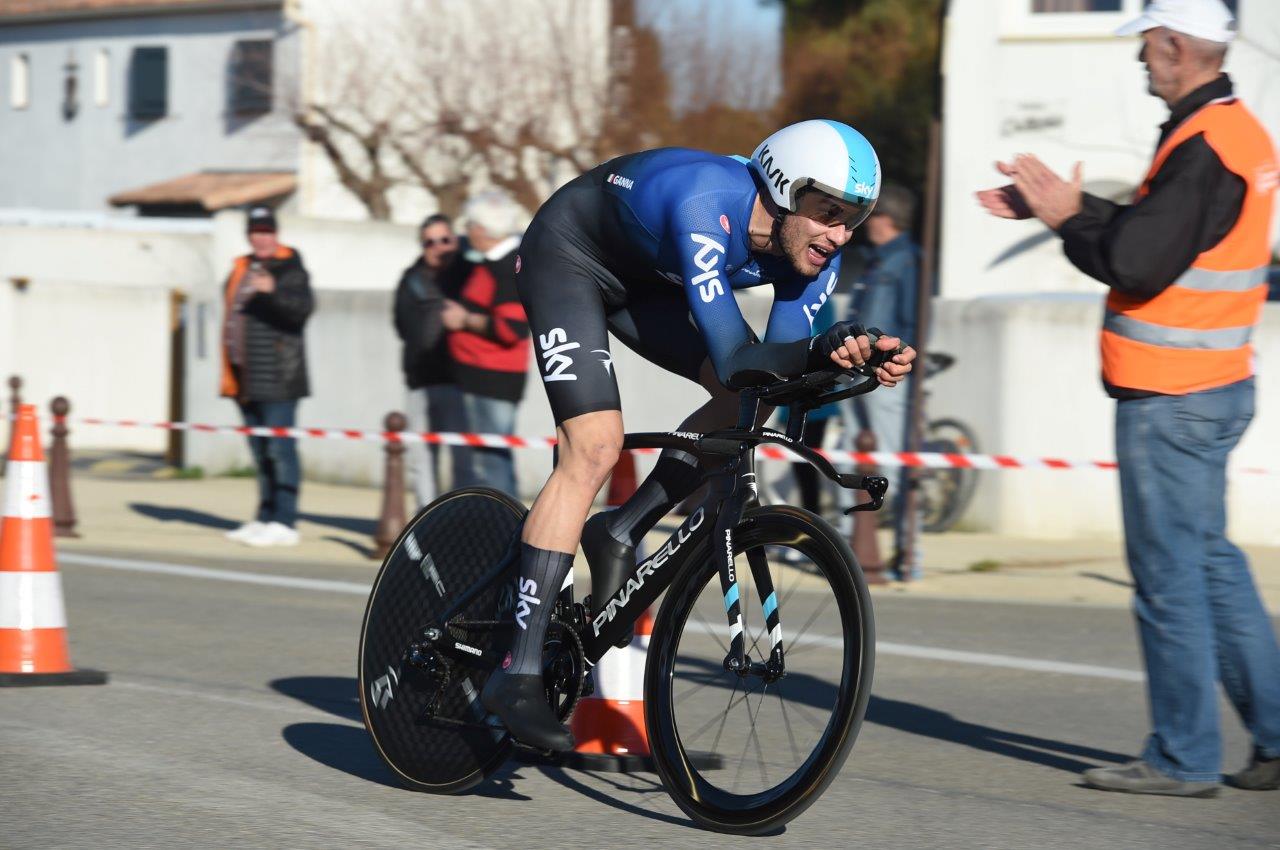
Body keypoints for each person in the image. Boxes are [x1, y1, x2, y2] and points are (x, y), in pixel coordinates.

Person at [481, 120, 918, 751]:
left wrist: (854, 355)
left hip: (645, 284)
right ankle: (514, 671)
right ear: (783, 189)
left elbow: (774, 364)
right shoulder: (706, 200)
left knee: (749, 397)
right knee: (596, 445)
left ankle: (623, 529)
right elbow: (739, 351)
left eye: (852, 219)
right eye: (827, 214)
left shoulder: (813, 252)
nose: (839, 236)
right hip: (569, 257)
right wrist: (819, 349)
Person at [977, 0, 1280, 796]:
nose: (1140, 60)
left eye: (1146, 45)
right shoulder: (1234, 132)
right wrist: (1069, 213)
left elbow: (1138, 264)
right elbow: (1161, 235)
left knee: (1171, 578)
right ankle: (1277, 741)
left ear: (1178, 47)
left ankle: (1183, 758)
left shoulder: (1202, 143)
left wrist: (1069, 220)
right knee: (1212, 565)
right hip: (1214, 386)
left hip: (1170, 397)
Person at [837, 183, 922, 579]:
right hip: (858, 374)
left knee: (893, 461)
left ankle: (907, 554)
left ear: (886, 220)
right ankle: (852, 543)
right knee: (853, 454)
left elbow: (916, 324)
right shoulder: (879, 260)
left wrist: (901, 361)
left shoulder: (908, 261)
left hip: (888, 378)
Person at [220, 206, 314, 547]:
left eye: (267, 231)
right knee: (259, 452)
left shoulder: (290, 268)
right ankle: (264, 516)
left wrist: (273, 290)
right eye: (256, 231)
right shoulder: (241, 267)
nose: (261, 237)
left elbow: (301, 311)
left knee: (280, 450)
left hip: (279, 377)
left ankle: (286, 521)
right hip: (245, 378)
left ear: (276, 234)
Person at [443, 191, 530, 498]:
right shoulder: (492, 262)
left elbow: (513, 327)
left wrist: (463, 320)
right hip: (481, 376)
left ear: (482, 230)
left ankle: (504, 530)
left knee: (492, 460)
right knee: (488, 459)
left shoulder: (507, 267)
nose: (466, 231)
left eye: (470, 225)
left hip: (492, 378)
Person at [393, 214, 471, 508]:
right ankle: (428, 520)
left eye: (444, 240)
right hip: (420, 381)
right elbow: (401, 325)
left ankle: (464, 518)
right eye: (430, 242)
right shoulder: (410, 279)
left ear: (454, 239)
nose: (438, 247)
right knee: (421, 459)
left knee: (463, 458)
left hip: (460, 382)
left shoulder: (468, 274)